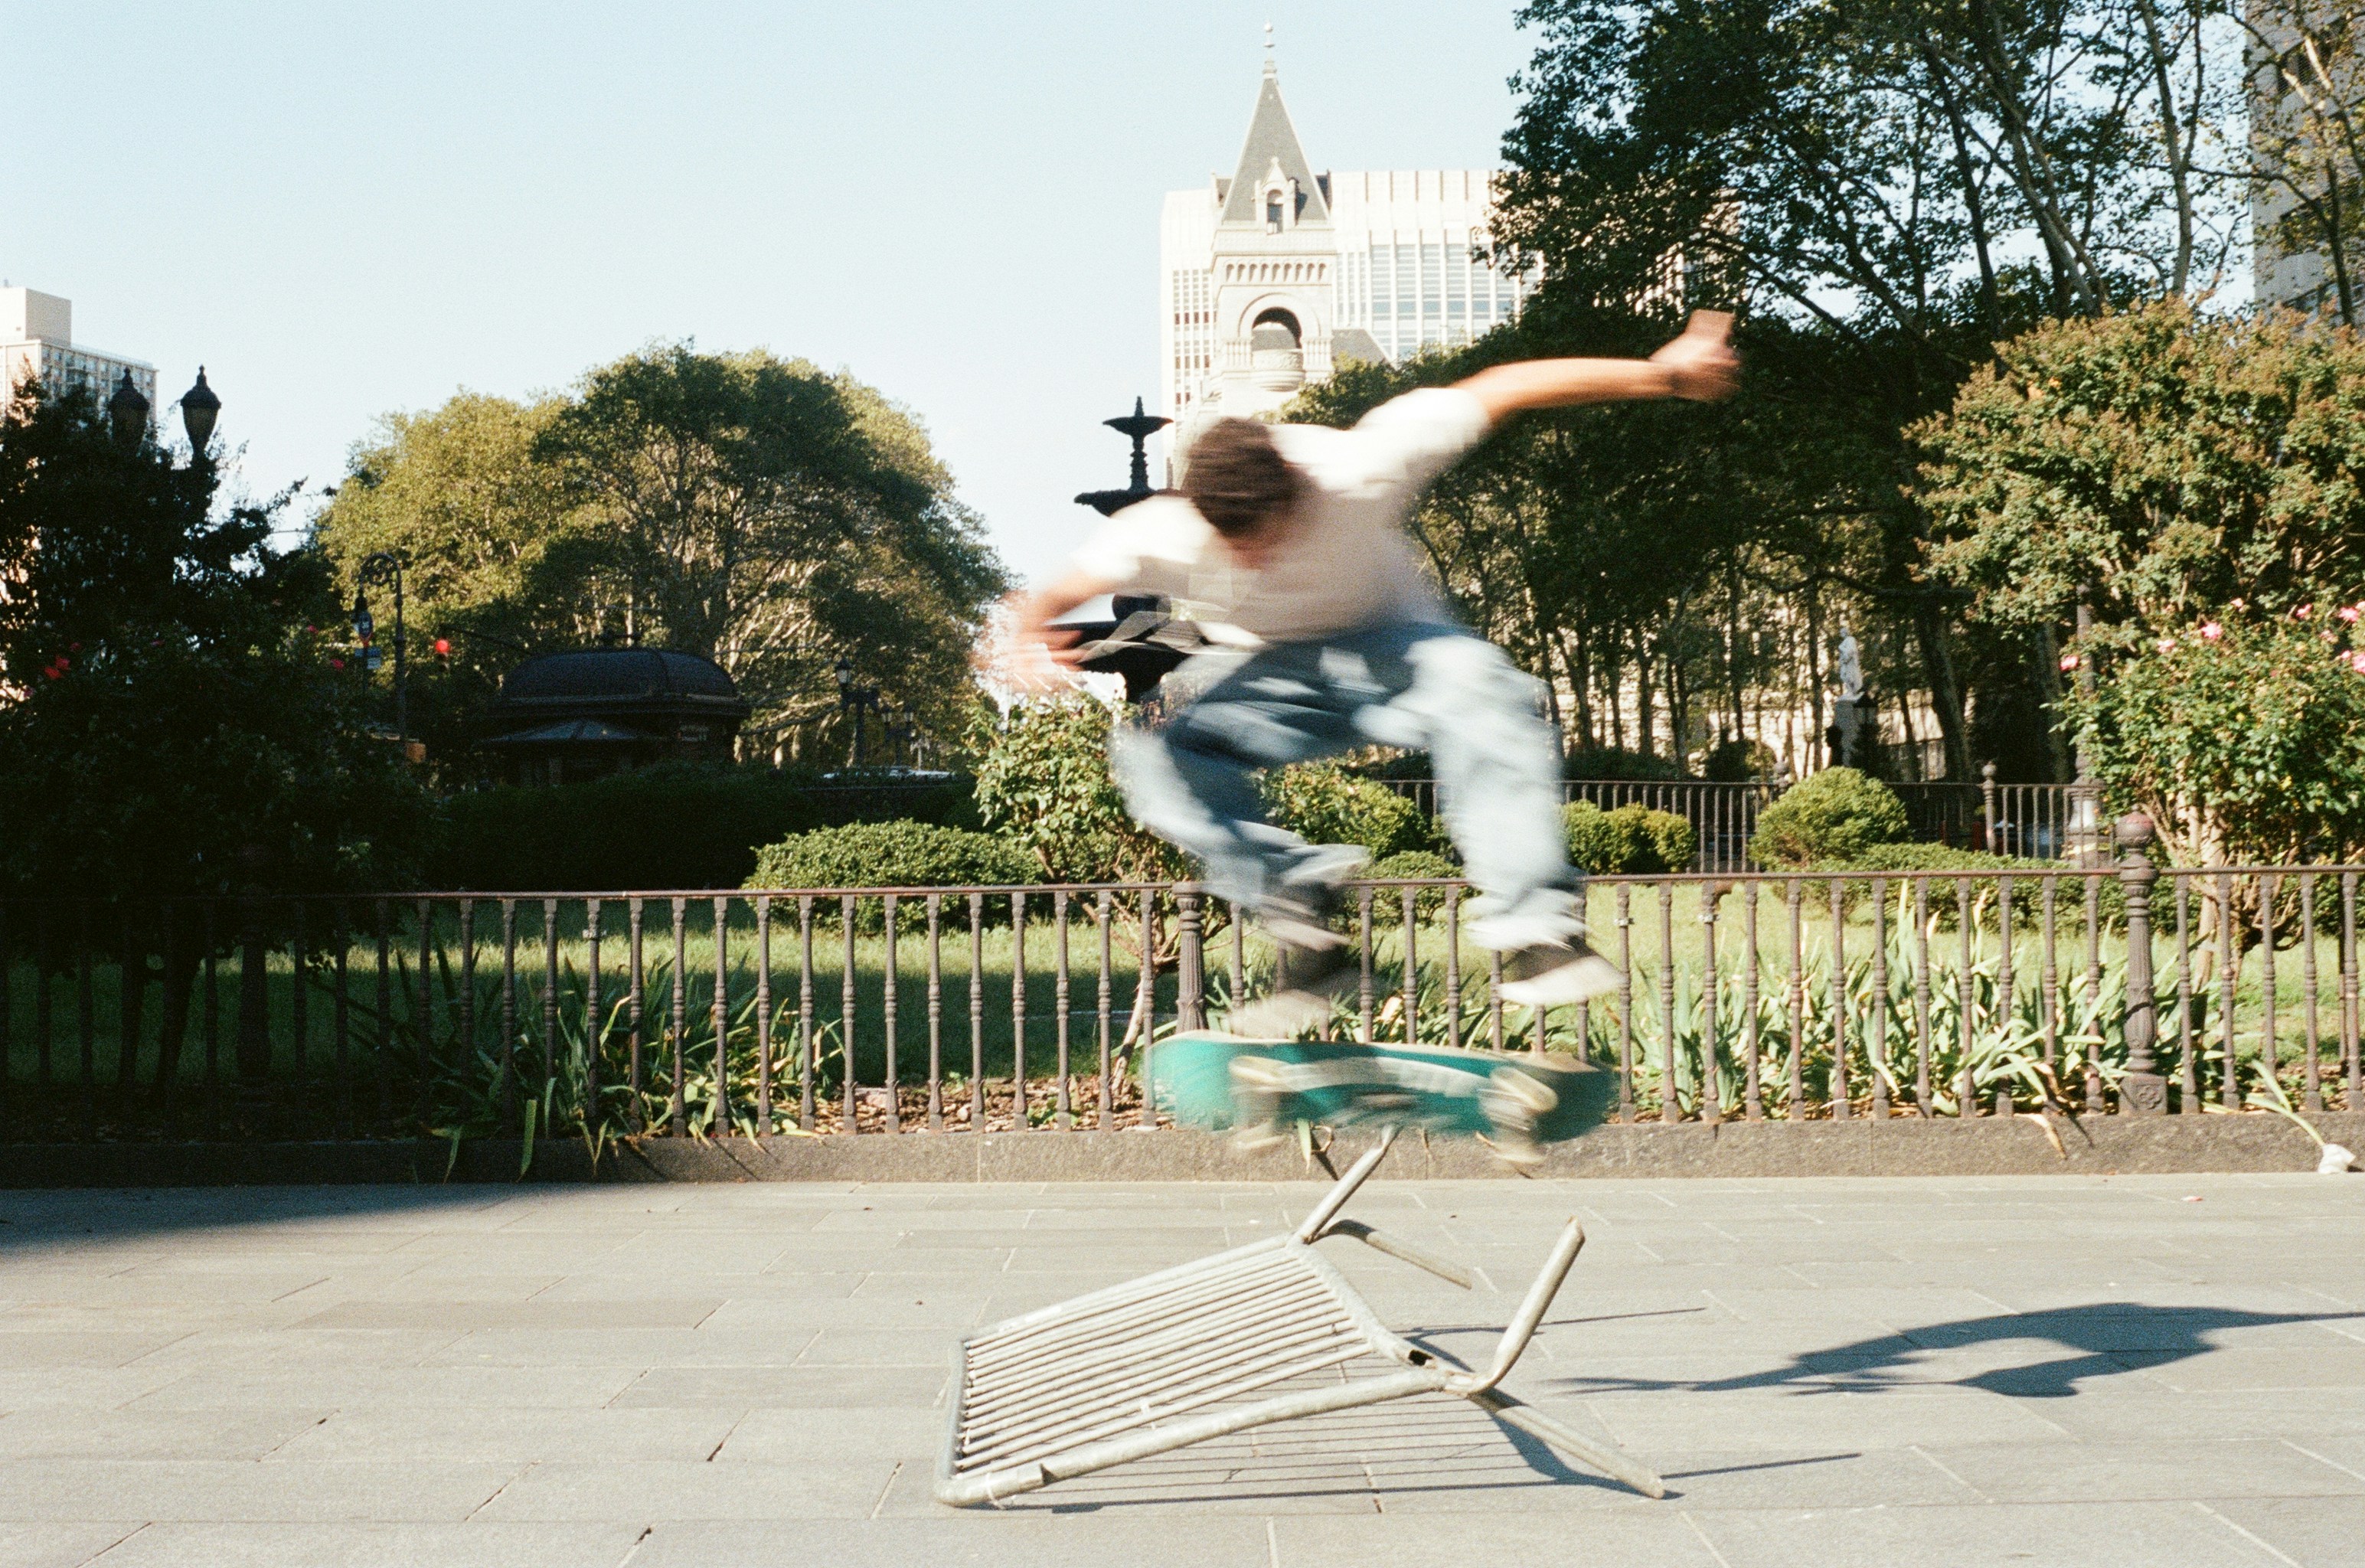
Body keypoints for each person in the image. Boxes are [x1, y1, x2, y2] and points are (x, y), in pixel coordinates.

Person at [1011, 311, 1740, 1034]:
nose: (1255, 562)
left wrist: (1665, 375)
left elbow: (1503, 386)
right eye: (1236, 549)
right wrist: (1026, 632)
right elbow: (1061, 587)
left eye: (1269, 540)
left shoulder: (1359, 465)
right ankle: (1302, 918)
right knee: (1158, 751)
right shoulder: (1165, 528)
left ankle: (1535, 932)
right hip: (1276, 677)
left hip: (1396, 653)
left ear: (1297, 486)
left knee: (1483, 683)